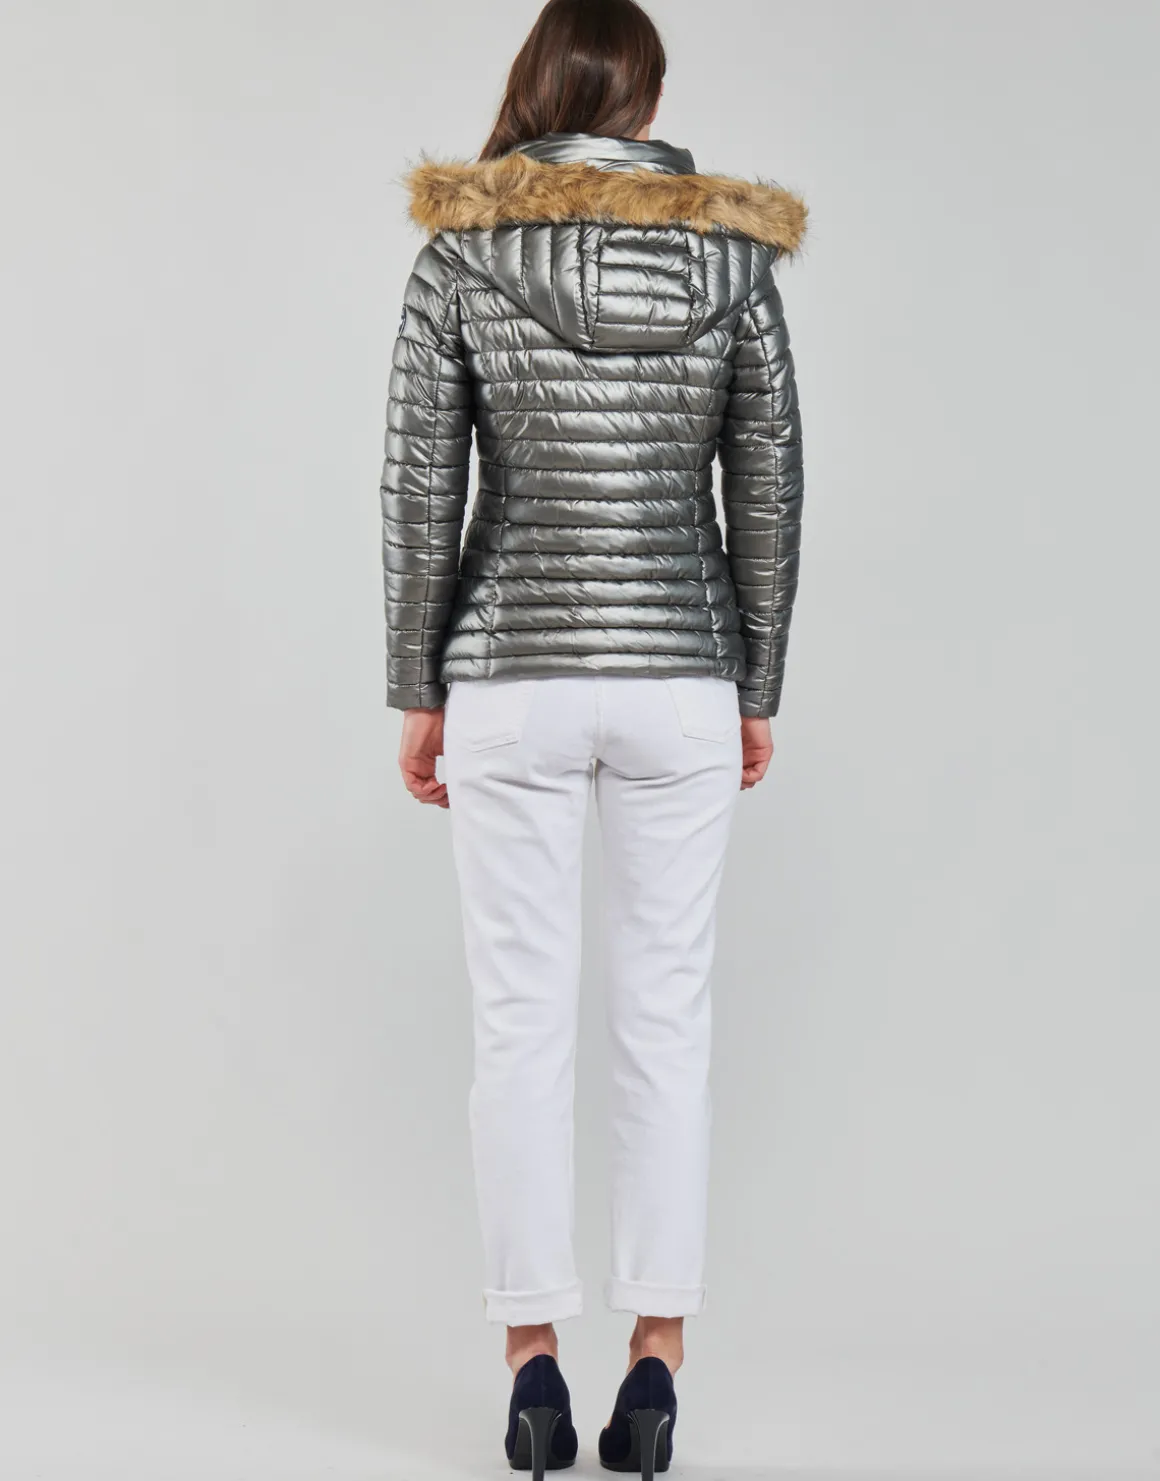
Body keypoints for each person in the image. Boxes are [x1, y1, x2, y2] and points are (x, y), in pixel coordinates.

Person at [379, 0, 807, 1473]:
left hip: (511, 675)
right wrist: (755, 685)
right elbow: (769, 483)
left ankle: (532, 1370)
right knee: (665, 1020)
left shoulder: (459, 255)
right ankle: (658, 1363)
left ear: (536, 90)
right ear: (647, 103)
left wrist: (418, 688)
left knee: (519, 1022)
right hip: (681, 671)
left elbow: (419, 488)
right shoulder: (736, 261)